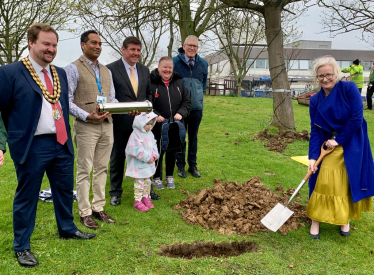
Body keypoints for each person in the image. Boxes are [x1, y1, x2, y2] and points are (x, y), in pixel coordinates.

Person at [0, 23, 95, 268]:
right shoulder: (10, 73)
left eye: (54, 45)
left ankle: (67, 228)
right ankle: (22, 246)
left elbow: (62, 105)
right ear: (31, 43)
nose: (50, 49)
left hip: (61, 143)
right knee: (27, 196)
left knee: (64, 190)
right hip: (32, 145)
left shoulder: (60, 73)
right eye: (45, 44)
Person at [307, 55, 374, 239]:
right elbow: (315, 130)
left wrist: (339, 140)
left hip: (351, 140)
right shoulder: (315, 101)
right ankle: (315, 220)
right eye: (321, 76)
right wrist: (312, 158)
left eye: (329, 74)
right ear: (317, 77)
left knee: (345, 182)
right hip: (326, 145)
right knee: (323, 180)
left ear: (336, 74)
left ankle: (344, 220)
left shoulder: (349, 89)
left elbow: (356, 118)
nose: (325, 79)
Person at [65, 30, 116, 230]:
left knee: (102, 168)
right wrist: (87, 115)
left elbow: (112, 99)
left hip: (107, 125)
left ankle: (98, 207)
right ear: (83, 45)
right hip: (86, 126)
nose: (98, 46)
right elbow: (66, 101)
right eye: (93, 43)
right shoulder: (72, 68)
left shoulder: (106, 70)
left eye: (100, 43)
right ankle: (85, 212)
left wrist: (128, 109)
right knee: (85, 169)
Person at [107, 36, 159, 206]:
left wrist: (147, 111)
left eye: (138, 50)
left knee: (146, 154)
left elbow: (148, 94)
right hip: (121, 121)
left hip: (142, 125)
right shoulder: (111, 69)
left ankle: (147, 191)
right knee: (118, 155)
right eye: (132, 50)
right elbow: (111, 96)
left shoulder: (145, 70)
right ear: (123, 49)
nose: (136, 53)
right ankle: (115, 192)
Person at [150, 56, 191, 189]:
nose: (167, 70)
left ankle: (169, 175)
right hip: (158, 125)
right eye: (165, 67)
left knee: (172, 150)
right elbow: (148, 103)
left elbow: (187, 101)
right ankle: (156, 177)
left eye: (170, 68)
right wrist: (156, 115)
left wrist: (181, 113)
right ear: (159, 67)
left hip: (175, 124)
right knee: (158, 151)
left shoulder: (178, 83)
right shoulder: (151, 83)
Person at [173, 35, 208, 178]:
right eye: (189, 45)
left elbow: (203, 83)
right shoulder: (175, 62)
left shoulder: (203, 64)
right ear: (184, 46)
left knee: (194, 138)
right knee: (180, 137)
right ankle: (180, 166)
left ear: (197, 48)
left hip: (196, 108)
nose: (192, 48)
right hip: (180, 109)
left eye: (195, 46)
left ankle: (192, 166)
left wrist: (199, 97)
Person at [125, 112, 159, 211]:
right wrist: (147, 157)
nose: (149, 127)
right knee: (139, 182)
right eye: (147, 124)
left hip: (148, 165)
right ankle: (137, 200)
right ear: (140, 123)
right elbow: (134, 148)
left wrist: (154, 155)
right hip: (139, 165)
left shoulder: (150, 134)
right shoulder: (135, 134)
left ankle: (146, 197)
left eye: (151, 124)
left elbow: (154, 145)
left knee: (147, 182)